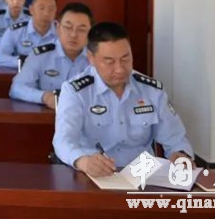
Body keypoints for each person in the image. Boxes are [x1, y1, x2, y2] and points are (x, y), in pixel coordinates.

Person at [53, 22, 194, 176]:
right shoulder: (75, 92)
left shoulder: (151, 90)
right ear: (91, 58)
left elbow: (175, 138)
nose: (120, 69)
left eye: (125, 59)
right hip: (95, 175)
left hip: (143, 175)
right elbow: (63, 140)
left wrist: (181, 155)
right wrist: (83, 161)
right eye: (109, 62)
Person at [10, 2, 93, 109]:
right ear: (58, 28)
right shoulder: (40, 55)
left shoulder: (97, 58)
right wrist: (44, 97)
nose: (73, 35)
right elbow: (16, 88)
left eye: (81, 30)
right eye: (68, 27)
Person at [0, 0, 58, 69]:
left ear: (55, 11)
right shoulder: (16, 31)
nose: (46, 13)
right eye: (41, 8)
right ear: (31, 10)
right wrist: (24, 61)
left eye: (51, 9)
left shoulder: (62, 31)